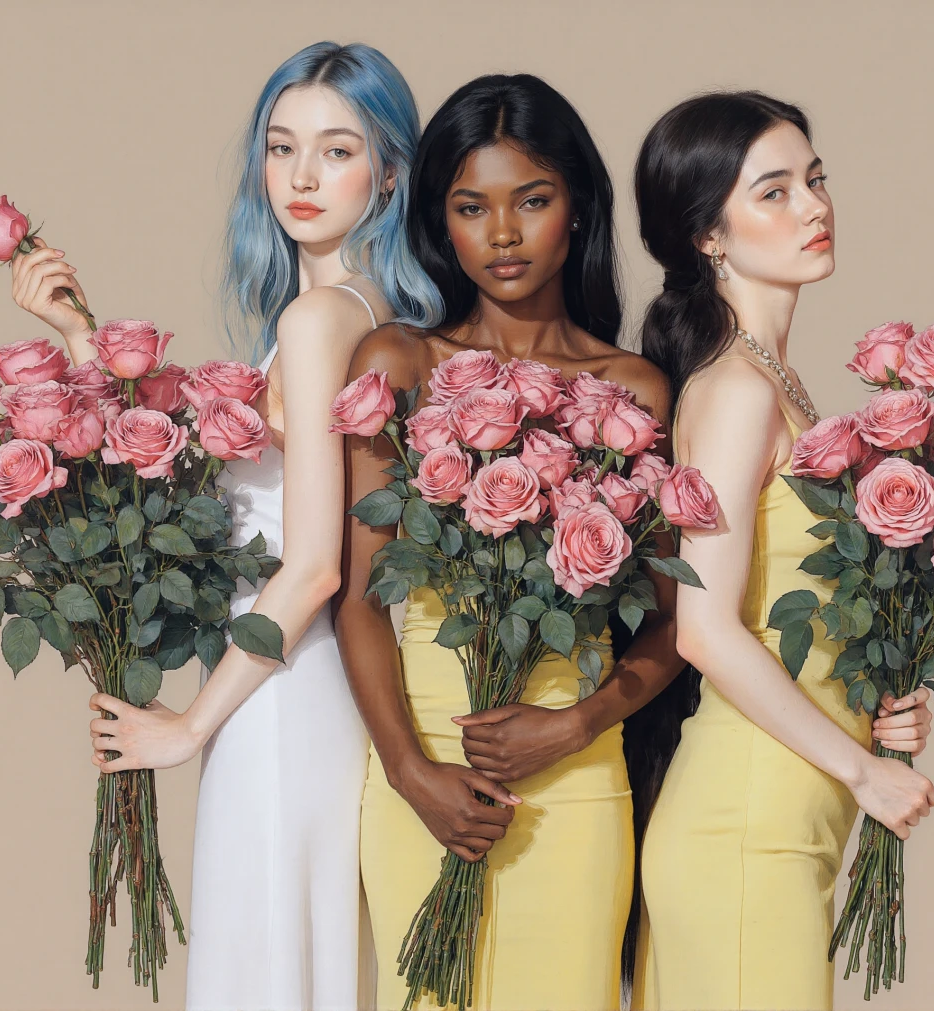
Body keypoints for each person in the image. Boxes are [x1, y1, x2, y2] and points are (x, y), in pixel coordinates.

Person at [8, 41, 439, 1011]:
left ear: (390, 174)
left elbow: (314, 565)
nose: (301, 176)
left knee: (262, 972)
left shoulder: (318, 324)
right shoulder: (370, 313)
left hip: (280, 692)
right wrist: (79, 339)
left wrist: (190, 725)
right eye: (281, 147)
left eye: (337, 150)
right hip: (305, 685)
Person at [332, 74, 682, 1010]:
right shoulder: (398, 363)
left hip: (576, 783)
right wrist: (410, 772)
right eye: (470, 206)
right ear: (439, 222)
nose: (502, 233)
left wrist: (578, 723)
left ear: (579, 206)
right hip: (426, 778)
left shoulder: (634, 391)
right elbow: (358, 597)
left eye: (531, 200)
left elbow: (672, 624)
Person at [632, 91, 934, 1010]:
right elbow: (704, 628)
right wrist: (863, 769)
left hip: (786, 815)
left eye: (815, 178)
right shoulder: (737, 390)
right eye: (774, 192)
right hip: (747, 821)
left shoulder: (777, 384)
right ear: (707, 236)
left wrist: (881, 702)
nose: (813, 205)